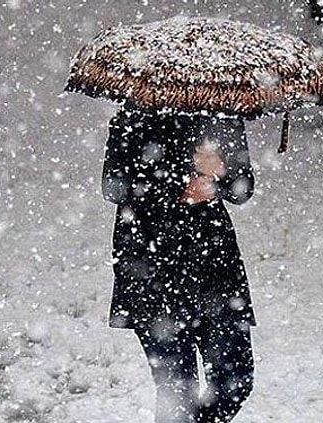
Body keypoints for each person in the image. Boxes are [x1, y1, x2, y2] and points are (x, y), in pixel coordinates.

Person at [102, 104, 256, 423]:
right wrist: (181, 183)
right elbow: (114, 186)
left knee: (236, 379)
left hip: (214, 268)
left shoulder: (221, 111)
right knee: (177, 392)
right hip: (151, 268)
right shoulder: (134, 115)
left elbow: (243, 189)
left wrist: (220, 174)